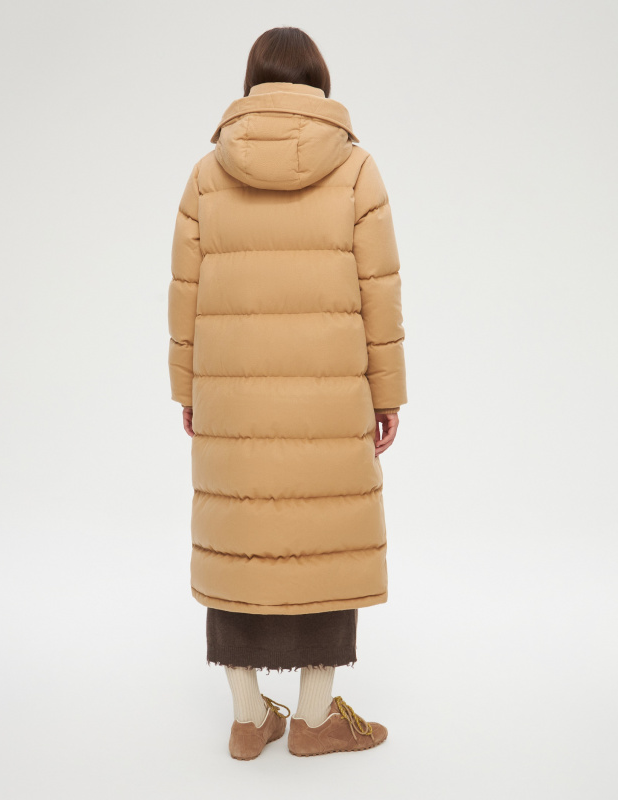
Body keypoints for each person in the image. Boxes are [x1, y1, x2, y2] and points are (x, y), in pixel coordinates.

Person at [167, 26, 407, 760]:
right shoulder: (356, 169)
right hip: (329, 404)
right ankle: (312, 718)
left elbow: (185, 295)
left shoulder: (207, 174)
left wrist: (187, 390)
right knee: (326, 540)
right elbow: (380, 291)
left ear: (252, 83)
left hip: (232, 404)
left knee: (236, 542)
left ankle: (248, 721)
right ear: (319, 82)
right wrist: (387, 395)